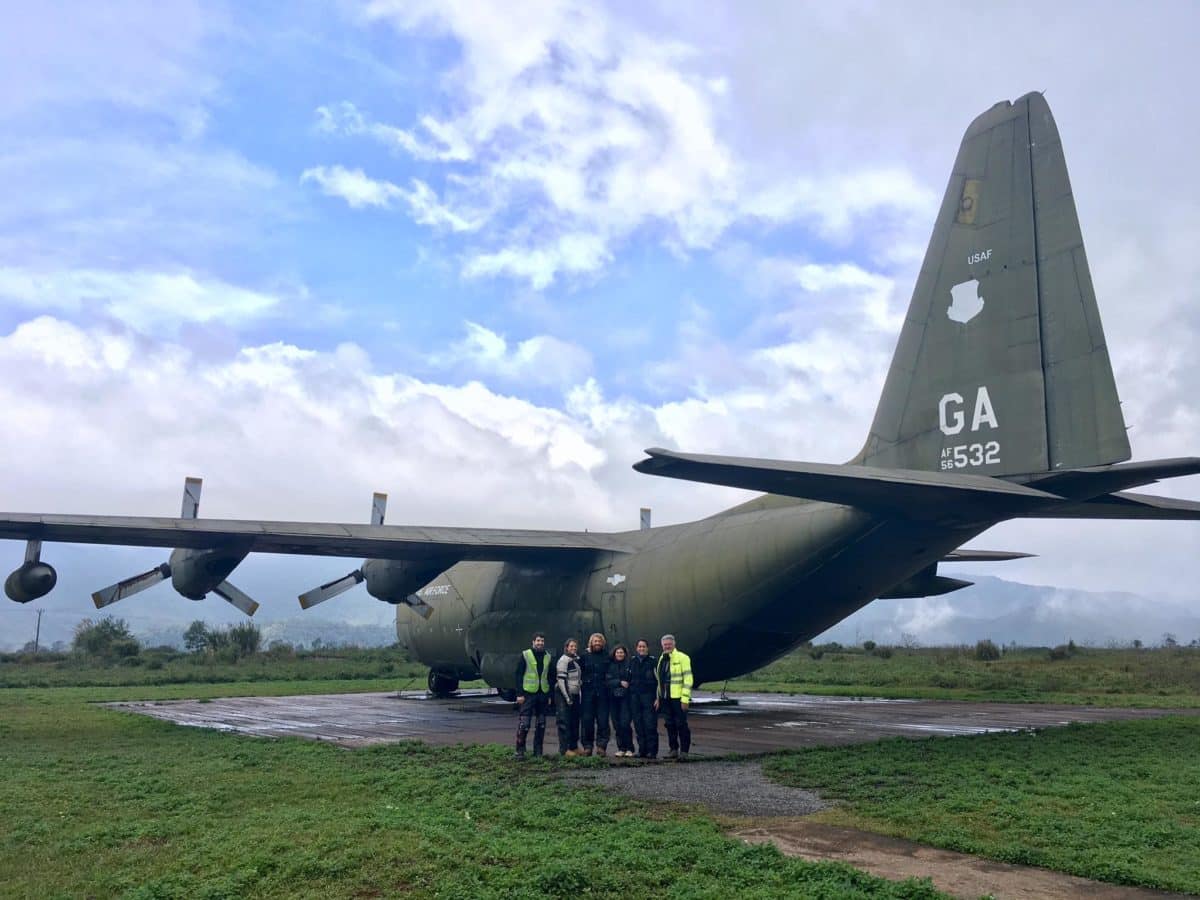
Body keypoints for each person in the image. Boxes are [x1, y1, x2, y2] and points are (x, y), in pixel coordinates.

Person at [514, 631, 554, 759]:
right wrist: (519, 694)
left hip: (542, 694)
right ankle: (520, 750)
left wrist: (549, 695)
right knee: (524, 723)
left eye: (542, 641)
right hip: (528, 694)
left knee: (541, 724)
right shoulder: (525, 655)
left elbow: (551, 676)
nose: (540, 643)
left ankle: (538, 751)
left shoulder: (548, 656)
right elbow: (518, 674)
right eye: (538, 640)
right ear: (533, 642)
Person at [654, 633, 693, 760]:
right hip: (666, 698)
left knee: (681, 724)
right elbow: (659, 680)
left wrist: (685, 699)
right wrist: (659, 698)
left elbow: (688, 679)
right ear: (662, 646)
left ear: (674, 644)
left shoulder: (683, 658)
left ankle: (685, 752)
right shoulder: (662, 659)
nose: (667, 646)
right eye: (665, 645)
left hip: (677, 698)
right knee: (669, 724)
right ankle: (673, 749)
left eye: (669, 644)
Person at [578, 632, 611, 756]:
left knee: (603, 721)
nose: (597, 643)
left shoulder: (607, 656)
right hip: (587, 693)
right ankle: (587, 746)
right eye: (595, 641)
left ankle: (601, 747)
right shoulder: (584, 656)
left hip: (603, 694)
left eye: (599, 641)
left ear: (603, 643)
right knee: (587, 721)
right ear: (591, 643)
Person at [628, 638, 659, 759]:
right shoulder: (632, 661)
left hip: (648, 697)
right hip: (635, 697)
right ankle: (642, 750)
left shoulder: (653, 662)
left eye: (644, 646)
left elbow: (658, 682)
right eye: (639, 647)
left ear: (647, 648)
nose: (641, 648)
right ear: (636, 648)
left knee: (650, 724)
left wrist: (658, 698)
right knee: (638, 724)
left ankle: (652, 751)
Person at [606, 644, 635, 757]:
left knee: (625, 723)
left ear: (625, 653)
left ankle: (629, 748)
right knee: (616, 724)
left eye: (621, 652)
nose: (619, 654)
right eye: (617, 652)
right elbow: (607, 681)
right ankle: (621, 748)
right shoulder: (610, 665)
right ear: (614, 654)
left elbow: (633, 679)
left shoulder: (630, 665)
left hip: (626, 699)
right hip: (613, 698)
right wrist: (619, 682)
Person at [554, 638, 582, 756]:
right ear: (566, 648)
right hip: (564, 695)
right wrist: (567, 697)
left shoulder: (575, 660)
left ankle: (573, 747)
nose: (573, 648)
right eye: (571, 646)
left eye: (575, 646)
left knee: (574, 722)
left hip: (575, 694)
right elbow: (561, 681)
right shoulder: (563, 660)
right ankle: (564, 749)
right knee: (564, 721)